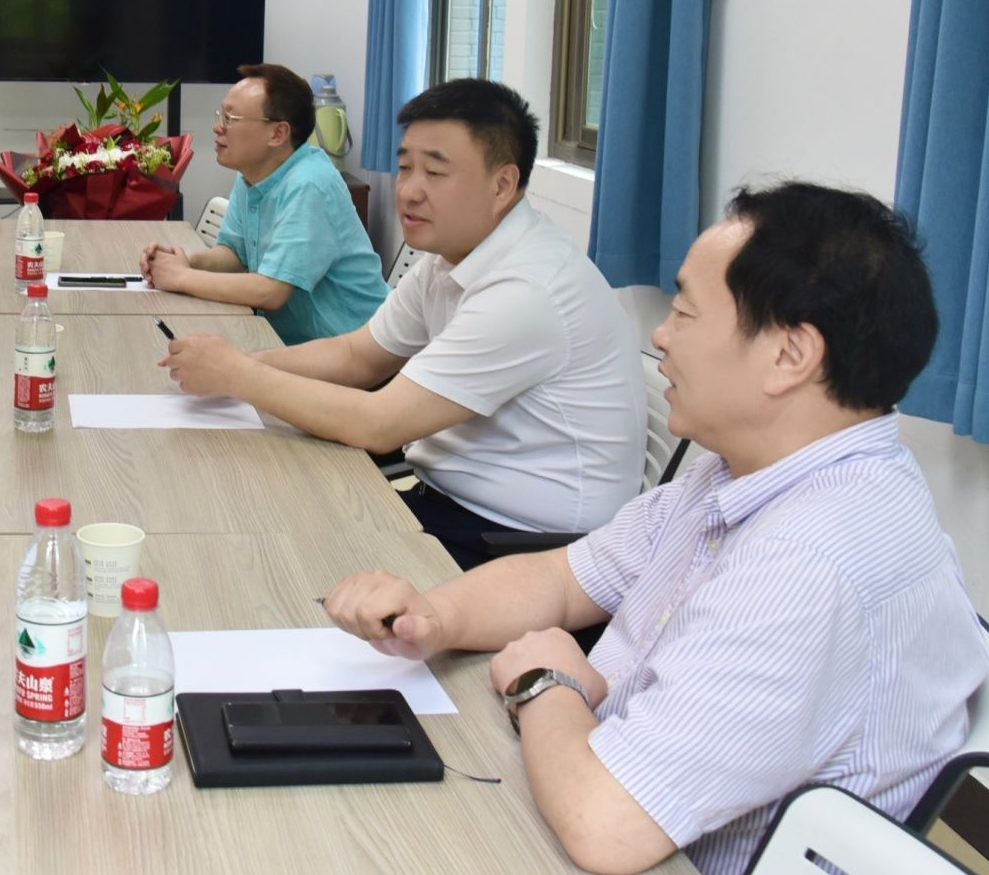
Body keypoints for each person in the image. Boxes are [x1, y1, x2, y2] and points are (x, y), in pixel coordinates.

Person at [321, 182, 986, 875]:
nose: (661, 335)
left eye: (687, 312)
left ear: (790, 354)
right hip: (583, 799)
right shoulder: (748, 468)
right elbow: (564, 580)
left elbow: (605, 825)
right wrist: (435, 617)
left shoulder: (811, 562)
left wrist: (545, 683)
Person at [162, 79, 641, 566]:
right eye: (406, 167)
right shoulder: (450, 258)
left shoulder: (527, 290)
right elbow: (357, 356)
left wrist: (239, 375)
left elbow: (379, 425)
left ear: (502, 185)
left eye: (435, 172)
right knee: (253, 515)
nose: (409, 191)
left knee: (271, 555)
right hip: (449, 504)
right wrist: (232, 365)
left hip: (526, 547)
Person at [139, 63, 389, 344]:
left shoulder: (310, 184)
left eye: (231, 118)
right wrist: (184, 260)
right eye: (221, 115)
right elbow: (236, 255)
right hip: (291, 341)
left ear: (277, 134)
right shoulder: (252, 174)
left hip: (356, 348)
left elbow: (270, 292)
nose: (217, 127)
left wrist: (181, 277)